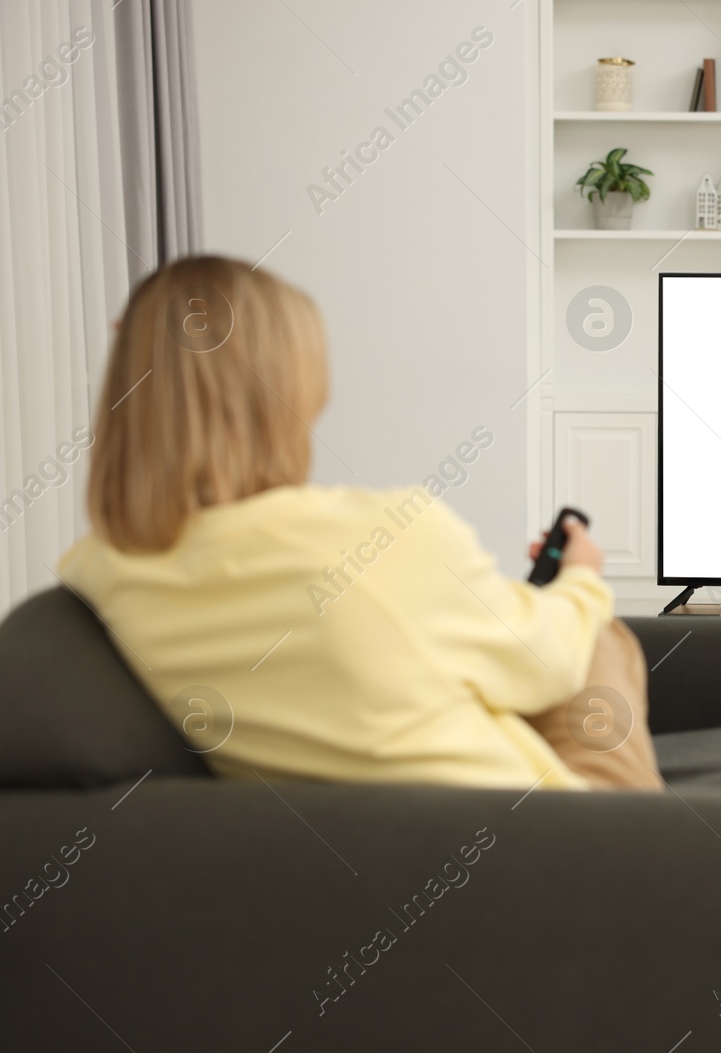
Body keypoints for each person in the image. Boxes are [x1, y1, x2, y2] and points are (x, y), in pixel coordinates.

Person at [58, 256, 662, 792]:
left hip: (369, 859)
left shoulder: (101, 570)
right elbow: (550, 664)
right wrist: (582, 577)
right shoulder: (388, 533)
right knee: (595, 631)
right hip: (580, 849)